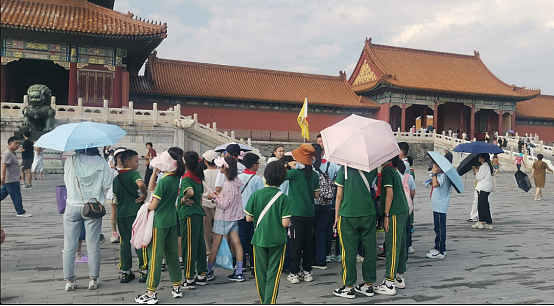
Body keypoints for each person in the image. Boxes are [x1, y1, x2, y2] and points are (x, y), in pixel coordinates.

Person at [135, 148, 184, 304]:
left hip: (159, 222)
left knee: (155, 257)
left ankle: (151, 292)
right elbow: (151, 188)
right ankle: (177, 286)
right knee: (171, 255)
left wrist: (144, 207)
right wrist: (156, 170)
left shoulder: (164, 181)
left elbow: (153, 204)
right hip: (171, 220)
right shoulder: (175, 178)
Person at [63, 147, 112, 291]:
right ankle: (93, 279)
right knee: (93, 244)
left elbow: (66, 180)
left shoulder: (70, 160)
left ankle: (69, 281)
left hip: (72, 205)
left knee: (69, 245)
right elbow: (108, 185)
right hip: (93, 207)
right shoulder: (102, 163)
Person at [244, 161, 291, 304]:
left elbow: (248, 218)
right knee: (274, 275)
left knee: (261, 274)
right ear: (282, 179)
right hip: (278, 240)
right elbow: (285, 223)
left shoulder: (256, 195)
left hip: (259, 239)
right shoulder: (283, 198)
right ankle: (270, 302)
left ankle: (264, 300)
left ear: (266, 176)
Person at [331, 163, 378, 299]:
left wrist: (336, 216)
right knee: (370, 250)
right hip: (368, 212)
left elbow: (339, 195)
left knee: (348, 251)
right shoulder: (372, 167)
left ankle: (349, 286)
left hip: (348, 213)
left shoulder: (344, 169)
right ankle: (368, 285)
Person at [374, 156, 409, 295]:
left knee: (392, 245)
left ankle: (389, 282)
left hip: (394, 211)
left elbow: (389, 194)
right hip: (403, 209)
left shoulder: (387, 170)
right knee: (400, 243)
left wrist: (386, 215)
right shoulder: (393, 170)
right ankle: (399, 277)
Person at [207, 156, 245, 282]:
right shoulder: (236, 182)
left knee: (215, 245)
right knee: (237, 242)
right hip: (234, 216)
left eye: (221, 166)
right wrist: (220, 196)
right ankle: (239, 271)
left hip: (223, 218)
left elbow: (223, 204)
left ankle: (208, 271)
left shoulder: (228, 184)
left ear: (225, 168)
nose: (219, 168)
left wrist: (213, 197)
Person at [286, 144, 320, 284]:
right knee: (308, 243)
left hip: (296, 213)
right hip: (310, 213)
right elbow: (317, 195)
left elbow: (277, 175)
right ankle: (307, 272)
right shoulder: (315, 174)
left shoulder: (293, 173)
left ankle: (294, 272)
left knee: (295, 243)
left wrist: (288, 164)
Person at [113, 150, 148, 283]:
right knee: (139, 240)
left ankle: (126, 272)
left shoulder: (116, 178)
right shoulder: (133, 173)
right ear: (127, 162)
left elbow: (116, 195)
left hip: (121, 213)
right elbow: (140, 184)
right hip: (135, 212)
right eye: (136, 161)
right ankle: (143, 271)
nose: (138, 163)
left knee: (125, 243)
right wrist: (143, 195)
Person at [178, 151, 210, 289]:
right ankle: (202, 274)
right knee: (199, 244)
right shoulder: (198, 177)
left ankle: (190, 277)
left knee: (189, 246)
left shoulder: (186, 178)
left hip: (189, 214)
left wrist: (184, 199)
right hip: (197, 213)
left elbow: (189, 192)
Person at [312, 140, 340, 270]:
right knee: (323, 231)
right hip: (328, 201)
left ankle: (314, 257)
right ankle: (323, 257)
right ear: (323, 152)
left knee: (312, 232)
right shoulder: (332, 165)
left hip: (313, 202)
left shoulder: (309, 167)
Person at [237, 153, 264, 276]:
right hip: (254, 214)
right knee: (254, 238)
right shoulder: (257, 179)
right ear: (254, 165)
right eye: (258, 163)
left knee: (242, 238)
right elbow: (260, 197)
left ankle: (241, 264)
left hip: (240, 212)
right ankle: (254, 264)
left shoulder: (238, 177)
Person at [426, 161, 452, 259]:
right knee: (437, 227)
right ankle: (437, 246)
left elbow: (436, 185)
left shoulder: (444, 175)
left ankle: (442, 250)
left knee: (440, 228)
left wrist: (433, 173)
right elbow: (435, 183)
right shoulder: (440, 175)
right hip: (437, 204)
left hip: (441, 205)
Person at [1, 137, 32, 217]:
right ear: (10, 143)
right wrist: (3, 177)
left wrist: (18, 175)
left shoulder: (12, 153)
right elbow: (4, 165)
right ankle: (20, 212)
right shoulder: (8, 153)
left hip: (13, 178)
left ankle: (20, 211)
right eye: (16, 143)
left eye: (19, 143)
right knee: (16, 196)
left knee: (2, 194)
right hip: (11, 179)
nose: (18, 145)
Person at [201, 150, 220, 254]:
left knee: (207, 229)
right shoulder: (221, 173)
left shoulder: (203, 174)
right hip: (220, 204)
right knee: (218, 229)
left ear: (205, 161)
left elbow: (201, 191)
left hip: (206, 203)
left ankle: (208, 250)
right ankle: (218, 249)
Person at [107, 148, 126, 243]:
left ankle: (124, 230)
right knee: (114, 212)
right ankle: (114, 232)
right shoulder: (112, 170)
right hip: (114, 193)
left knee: (124, 212)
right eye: (118, 156)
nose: (120, 158)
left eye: (122, 156)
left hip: (126, 194)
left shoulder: (129, 169)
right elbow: (108, 181)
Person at [472, 154, 494, 230]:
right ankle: (488, 222)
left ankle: (480, 222)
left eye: (480, 157)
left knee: (481, 206)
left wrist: (476, 172)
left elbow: (478, 178)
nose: (478, 158)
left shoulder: (484, 166)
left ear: (483, 158)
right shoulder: (486, 166)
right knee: (485, 206)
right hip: (485, 188)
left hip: (483, 188)